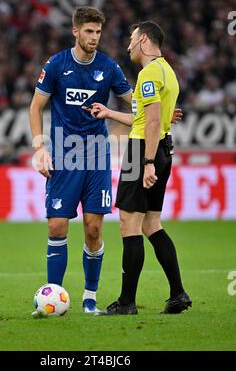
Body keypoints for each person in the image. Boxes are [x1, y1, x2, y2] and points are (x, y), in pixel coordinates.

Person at [29, 6, 133, 314]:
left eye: (98, 32)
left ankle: (90, 299)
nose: (94, 37)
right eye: (88, 31)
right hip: (63, 155)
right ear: (76, 31)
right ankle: (52, 297)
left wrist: (157, 107)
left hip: (98, 156)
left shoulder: (109, 67)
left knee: (93, 229)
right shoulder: (57, 65)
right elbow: (35, 108)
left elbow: (137, 103)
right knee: (57, 225)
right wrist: (39, 147)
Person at [85, 20, 191, 315]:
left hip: (143, 151)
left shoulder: (147, 74)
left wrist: (146, 163)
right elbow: (149, 119)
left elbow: (152, 123)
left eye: (132, 39)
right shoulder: (168, 71)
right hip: (163, 148)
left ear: (144, 39)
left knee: (128, 224)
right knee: (151, 224)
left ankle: (127, 302)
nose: (128, 45)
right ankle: (178, 294)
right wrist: (108, 112)